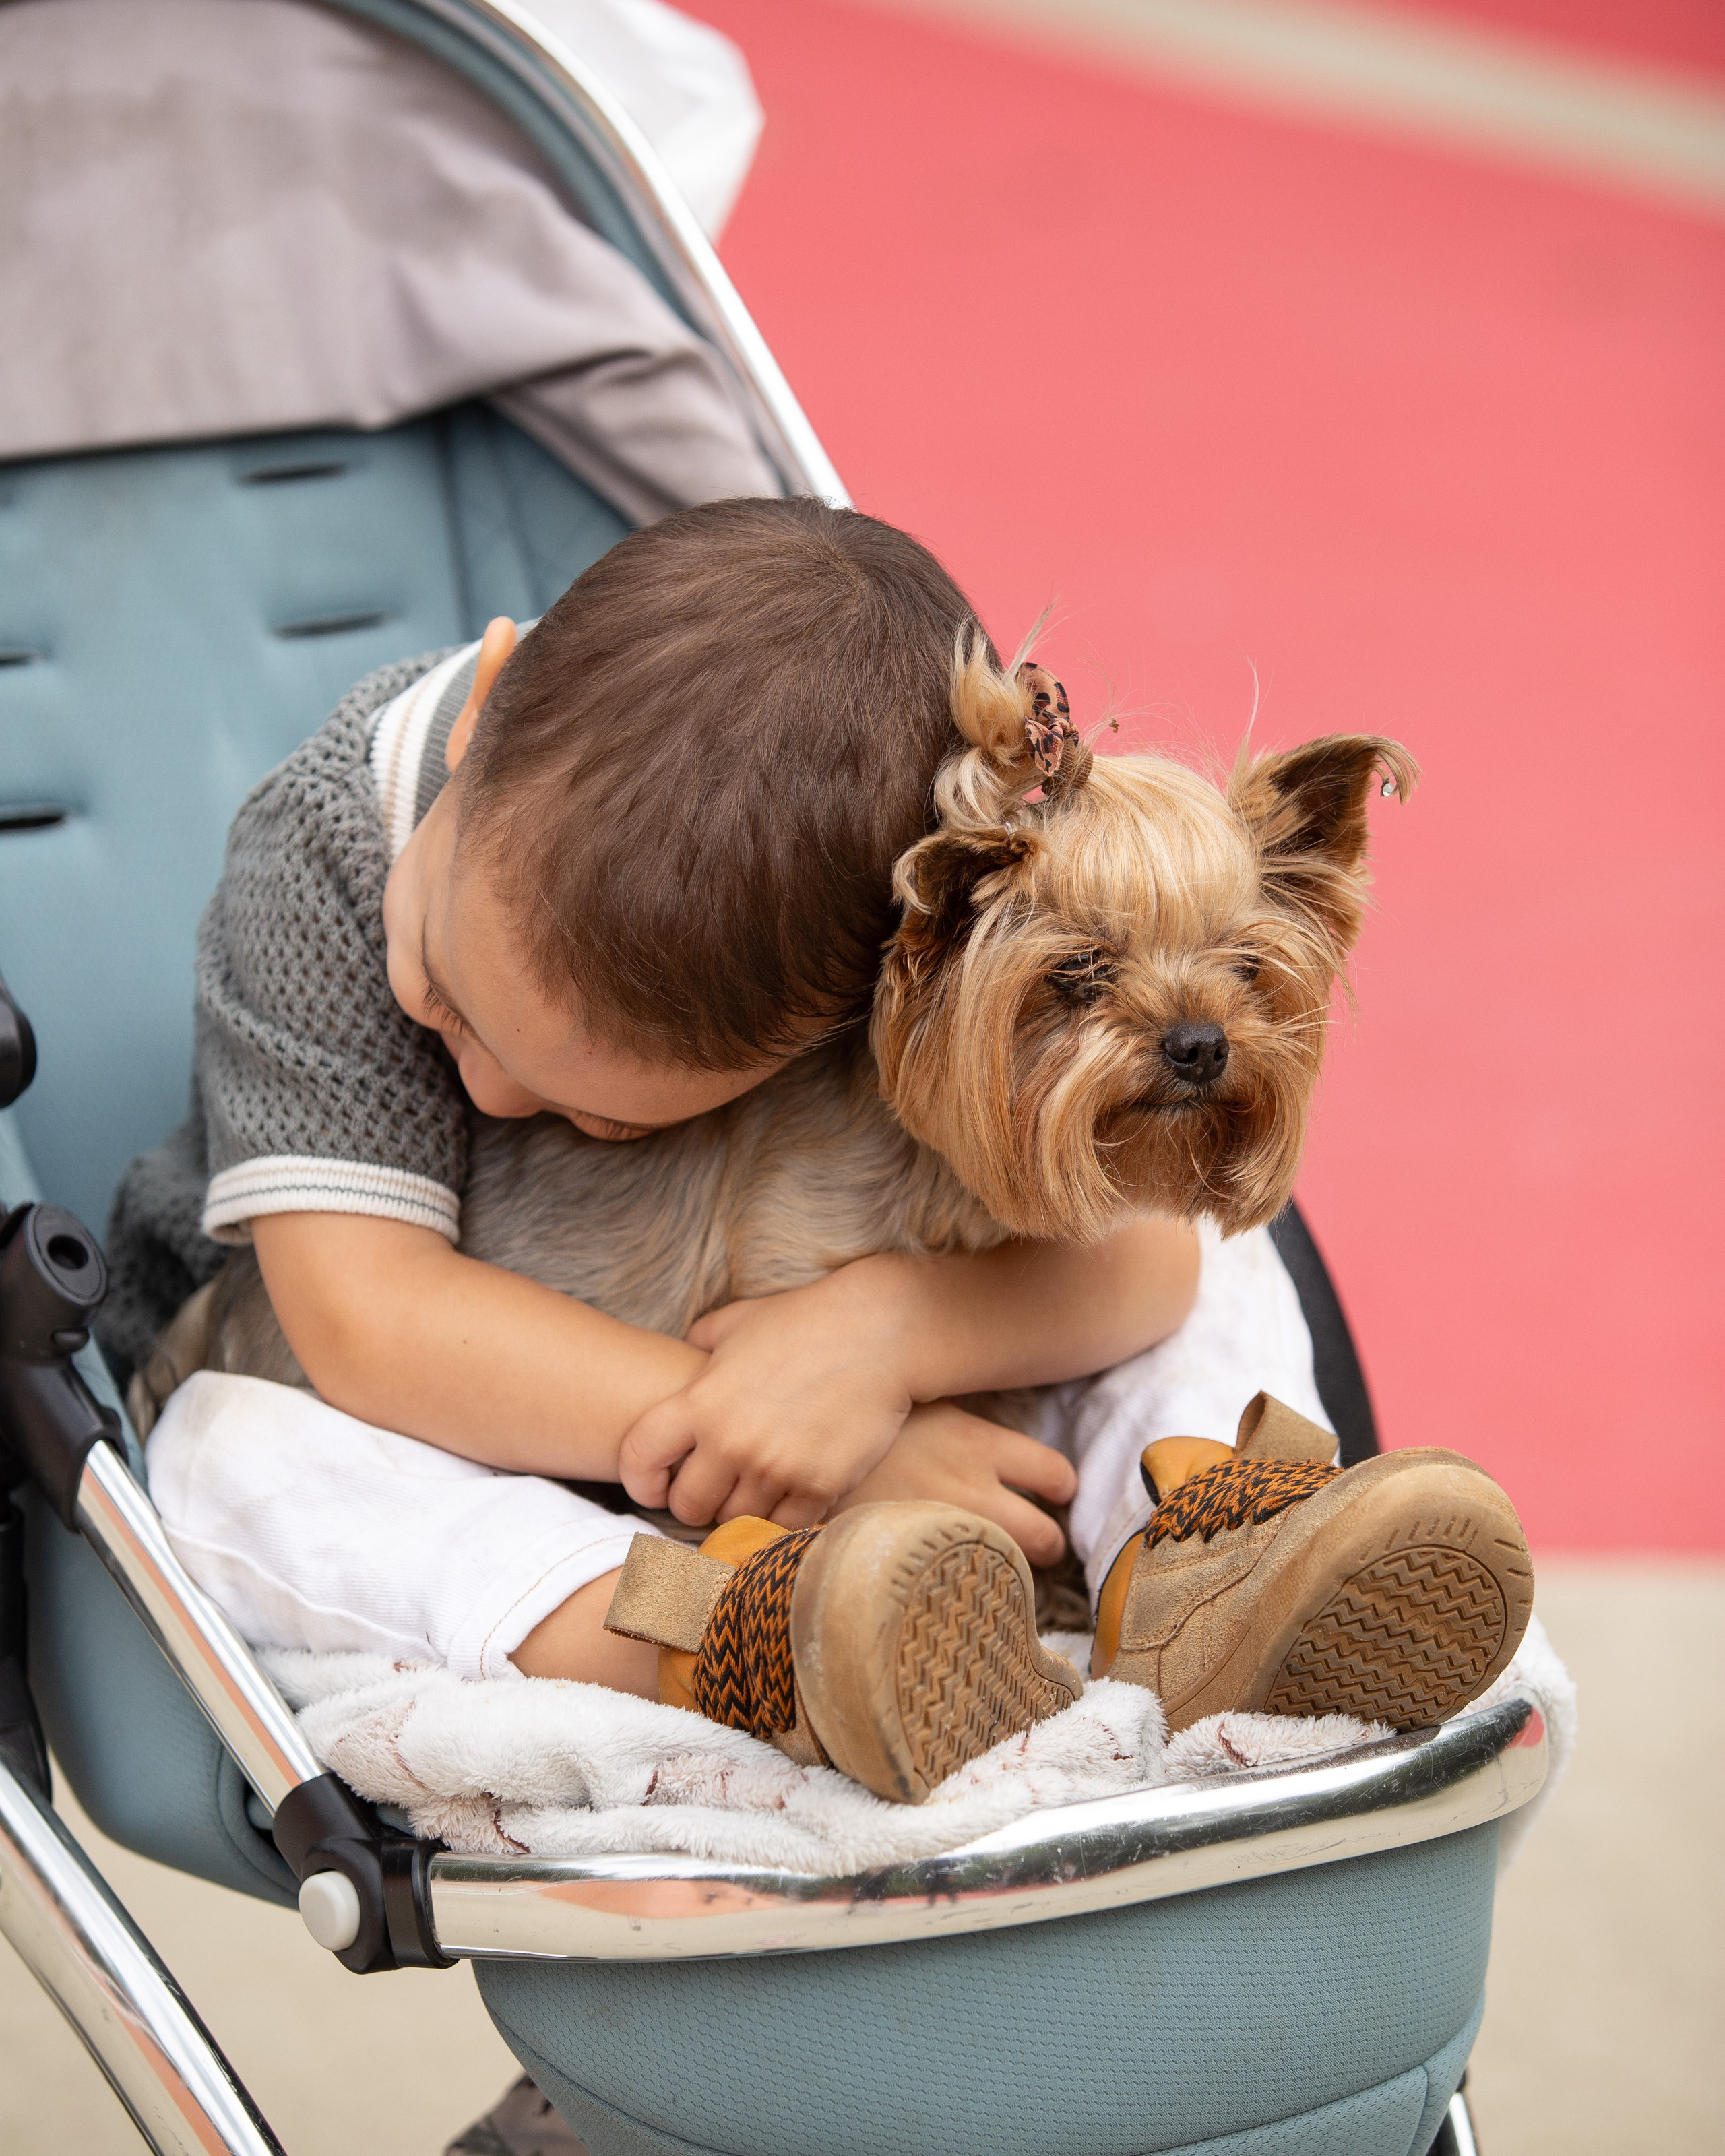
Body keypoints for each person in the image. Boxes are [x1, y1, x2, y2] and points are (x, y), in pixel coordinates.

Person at [105, 498, 1199, 1719]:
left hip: (814, 1329)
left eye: (613, 1116)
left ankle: (1203, 1542)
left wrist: (887, 1340)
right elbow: (367, 1325)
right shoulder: (320, 860)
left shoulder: (868, 917)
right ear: (483, 711)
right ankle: (738, 1642)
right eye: (445, 995)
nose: (485, 1092)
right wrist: (821, 1453)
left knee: (1165, 1170)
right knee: (226, 1463)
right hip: (388, 1387)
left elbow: (1147, 1254)